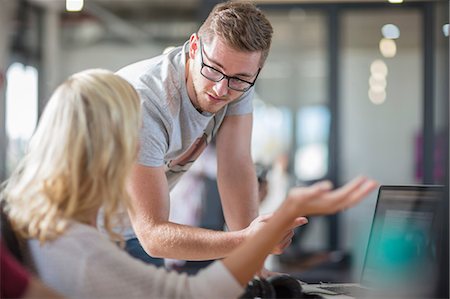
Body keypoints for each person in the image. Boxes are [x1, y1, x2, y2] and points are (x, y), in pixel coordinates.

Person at [1, 69, 377, 298]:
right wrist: (284, 215)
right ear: (111, 149)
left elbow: (235, 164)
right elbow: (194, 294)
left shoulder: (43, 227)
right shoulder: (79, 250)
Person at [114, 1, 288, 267]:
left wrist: (252, 264)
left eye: (240, 78)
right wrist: (248, 242)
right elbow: (152, 234)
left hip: (128, 231)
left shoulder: (236, 79)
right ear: (194, 47)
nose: (221, 90)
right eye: (213, 69)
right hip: (74, 230)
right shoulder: (146, 101)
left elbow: (235, 166)